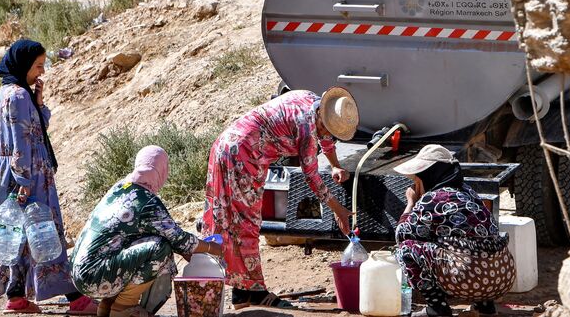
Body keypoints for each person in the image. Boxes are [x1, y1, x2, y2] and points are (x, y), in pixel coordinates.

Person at [201, 87, 358, 309]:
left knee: (234, 220)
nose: (328, 134)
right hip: (243, 155)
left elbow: (325, 136)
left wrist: (335, 166)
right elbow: (311, 176)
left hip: (228, 144)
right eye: (327, 128)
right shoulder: (306, 129)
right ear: (322, 118)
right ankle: (252, 292)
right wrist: (338, 209)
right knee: (246, 223)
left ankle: (241, 290)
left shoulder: (310, 100)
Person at [0, 39, 98, 315]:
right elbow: (22, 144)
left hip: (10, 174)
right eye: (38, 66)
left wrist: (39, 103)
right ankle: (77, 301)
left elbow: (33, 131)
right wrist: (23, 182)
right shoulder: (18, 96)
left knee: (20, 241)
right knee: (44, 234)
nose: (41, 73)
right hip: (27, 177)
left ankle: (16, 297)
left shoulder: (9, 94)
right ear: (24, 65)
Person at [71, 146, 224, 317]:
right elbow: (179, 239)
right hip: (96, 277)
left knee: (139, 244)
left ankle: (106, 307)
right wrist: (212, 248)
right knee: (160, 248)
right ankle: (123, 308)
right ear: (162, 170)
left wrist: (188, 250)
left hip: (80, 274)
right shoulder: (146, 201)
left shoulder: (120, 188)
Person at [393, 145, 515, 317]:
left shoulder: (432, 199)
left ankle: (437, 308)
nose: (415, 183)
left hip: (468, 278)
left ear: (428, 175)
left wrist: (411, 203)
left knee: (406, 249)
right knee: (471, 248)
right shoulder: (468, 191)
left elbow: (401, 235)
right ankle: (485, 307)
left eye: (417, 179)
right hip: (502, 276)